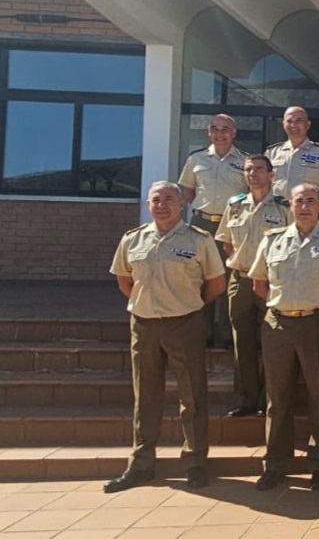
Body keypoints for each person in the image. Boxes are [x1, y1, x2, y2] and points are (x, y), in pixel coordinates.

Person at [105, 181, 225, 493]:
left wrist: (186, 303)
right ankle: (142, 463)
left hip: (184, 324)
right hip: (143, 324)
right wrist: (148, 304)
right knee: (145, 395)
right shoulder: (133, 239)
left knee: (192, 396)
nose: (162, 205)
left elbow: (215, 284)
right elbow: (124, 280)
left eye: (169, 199)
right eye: (156, 200)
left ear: (182, 204)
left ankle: (196, 461)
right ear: (148, 205)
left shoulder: (199, 239)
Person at [248, 183, 319, 491]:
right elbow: (259, 285)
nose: (305, 206)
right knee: (277, 399)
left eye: (312, 200)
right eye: (300, 201)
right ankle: (275, 464)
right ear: (291, 205)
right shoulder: (272, 241)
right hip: (279, 326)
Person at [214, 155, 292, 418]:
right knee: (243, 341)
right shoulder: (235, 206)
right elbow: (227, 243)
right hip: (241, 279)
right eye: (248, 170)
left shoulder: (285, 207)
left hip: (273, 281)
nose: (253, 174)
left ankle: (270, 399)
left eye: (259, 169)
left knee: (273, 340)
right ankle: (248, 398)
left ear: (272, 175)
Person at [177, 113, 248, 347]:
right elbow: (187, 191)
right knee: (202, 278)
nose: (220, 133)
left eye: (225, 129)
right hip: (203, 224)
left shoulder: (245, 161)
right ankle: (203, 333)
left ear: (234, 132)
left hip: (231, 227)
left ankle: (226, 336)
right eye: (215, 129)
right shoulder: (196, 159)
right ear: (209, 132)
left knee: (230, 280)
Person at [265, 106, 319, 208]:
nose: (293, 125)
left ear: (308, 124)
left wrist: (318, 213)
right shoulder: (271, 153)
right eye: (289, 121)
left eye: (298, 120)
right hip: (276, 215)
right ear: (283, 124)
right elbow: (263, 185)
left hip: (307, 214)